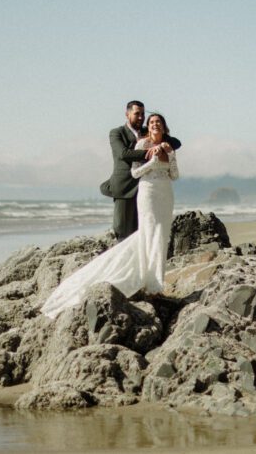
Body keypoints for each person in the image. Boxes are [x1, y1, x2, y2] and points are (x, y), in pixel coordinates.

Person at [41, 113, 179, 319]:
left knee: (162, 236)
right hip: (148, 192)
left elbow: (175, 175)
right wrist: (152, 158)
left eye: (158, 122)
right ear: (148, 128)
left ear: (164, 127)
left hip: (165, 194)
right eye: (151, 123)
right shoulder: (142, 144)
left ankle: (156, 283)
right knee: (149, 234)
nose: (154, 125)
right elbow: (135, 173)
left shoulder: (169, 146)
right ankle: (151, 284)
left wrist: (167, 155)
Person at [100, 100, 180, 240]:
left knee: (144, 231)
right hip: (125, 187)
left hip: (146, 188)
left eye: (143, 114)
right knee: (123, 232)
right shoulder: (117, 133)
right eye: (137, 114)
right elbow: (123, 154)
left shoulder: (147, 130)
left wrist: (162, 146)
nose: (141, 118)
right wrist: (150, 152)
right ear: (127, 114)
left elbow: (176, 142)